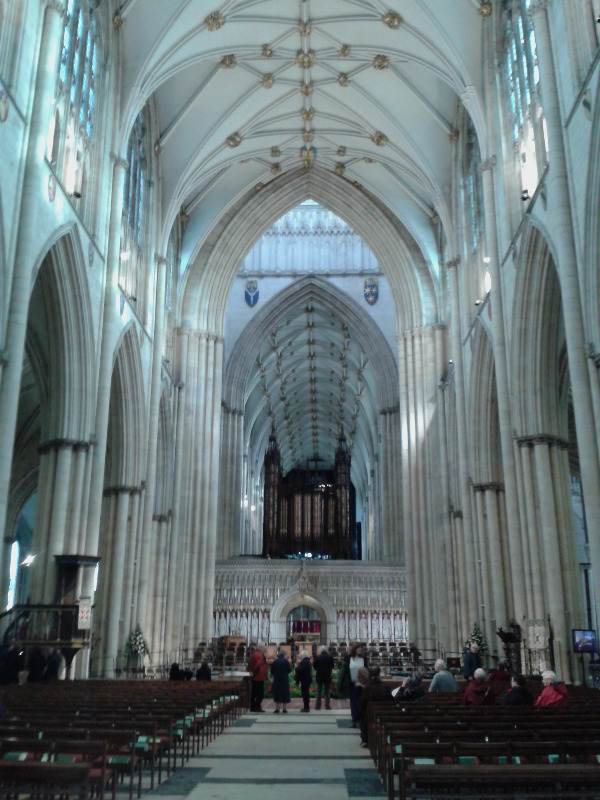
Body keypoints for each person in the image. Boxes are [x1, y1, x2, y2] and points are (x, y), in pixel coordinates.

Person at [359, 667, 391, 747]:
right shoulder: (385, 687)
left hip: (370, 715)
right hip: (384, 714)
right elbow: (390, 700)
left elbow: (362, 704)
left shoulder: (367, 687)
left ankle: (365, 739)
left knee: (363, 716)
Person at [340, 645, 368, 727]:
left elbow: (366, 670)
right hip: (352, 683)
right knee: (353, 702)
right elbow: (345, 671)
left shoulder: (363, 658)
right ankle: (355, 720)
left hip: (361, 684)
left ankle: (360, 719)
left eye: (361, 648)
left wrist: (363, 682)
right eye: (358, 648)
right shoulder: (348, 658)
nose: (360, 650)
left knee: (360, 702)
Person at [247, 645, 268, 712]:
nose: (265, 650)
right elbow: (258, 665)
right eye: (265, 648)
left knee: (254, 693)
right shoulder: (259, 655)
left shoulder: (254, 654)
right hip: (258, 677)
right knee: (259, 694)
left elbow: (250, 665)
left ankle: (253, 707)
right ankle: (257, 707)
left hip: (256, 676)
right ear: (261, 648)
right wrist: (255, 673)